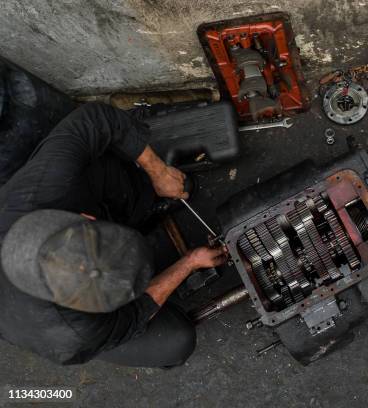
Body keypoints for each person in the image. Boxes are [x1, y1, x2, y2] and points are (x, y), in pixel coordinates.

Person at [0, 103, 228, 367]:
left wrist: (159, 172)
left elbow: (96, 118)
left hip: (58, 209)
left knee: (110, 174)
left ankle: (142, 198)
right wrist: (188, 263)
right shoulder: (71, 335)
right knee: (175, 342)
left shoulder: (42, 188)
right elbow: (134, 314)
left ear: (84, 219)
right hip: (30, 318)